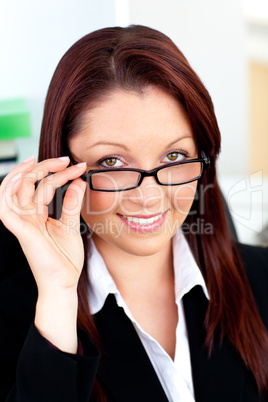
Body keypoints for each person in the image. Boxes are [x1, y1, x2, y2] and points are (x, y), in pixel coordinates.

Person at [0, 25, 267, 402]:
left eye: (173, 157)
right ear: (61, 166)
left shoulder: (261, 282)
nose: (148, 196)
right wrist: (60, 296)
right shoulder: (17, 315)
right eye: (111, 162)